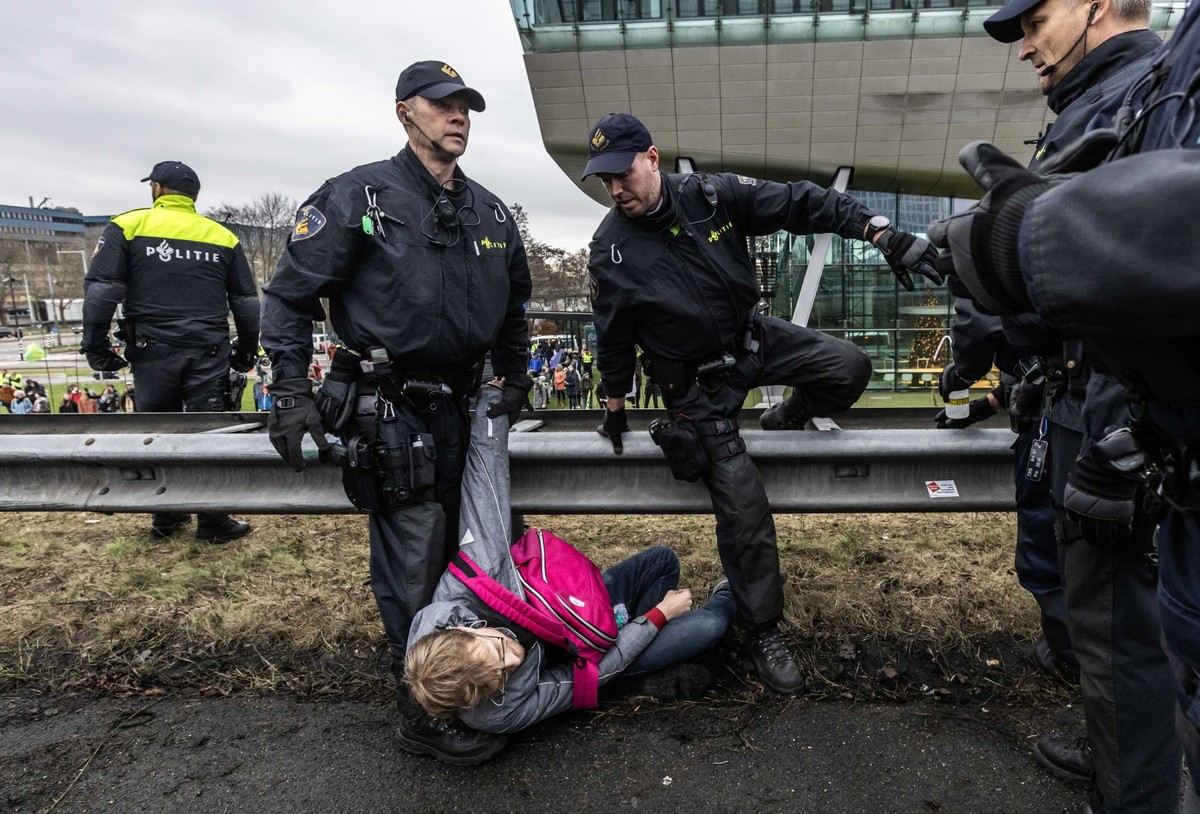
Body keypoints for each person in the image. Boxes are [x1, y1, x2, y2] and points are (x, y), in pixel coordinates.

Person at [928, 0, 1200, 806]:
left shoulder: (1138, 95)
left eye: (1036, 19)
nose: (1024, 46)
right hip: (1097, 412)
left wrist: (1121, 431)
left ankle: (1135, 790)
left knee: (1120, 637)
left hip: (1112, 417)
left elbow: (1142, 294)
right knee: (1111, 629)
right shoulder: (1136, 90)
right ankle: (1121, 757)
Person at [583, 112, 942, 694]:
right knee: (743, 501)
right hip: (692, 388)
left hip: (752, 341)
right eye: (606, 182)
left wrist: (881, 233)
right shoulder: (610, 250)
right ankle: (761, 630)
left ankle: (790, 413)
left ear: (651, 158)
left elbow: (805, 202)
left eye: (623, 174)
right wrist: (616, 404)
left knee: (849, 367)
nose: (617, 190)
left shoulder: (712, 195)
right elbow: (613, 337)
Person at [260, 60, 532, 765]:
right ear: (405, 113)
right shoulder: (356, 196)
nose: (459, 116)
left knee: (476, 553)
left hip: (468, 409)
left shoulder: (494, 212)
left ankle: (470, 683)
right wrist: (290, 390)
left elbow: (516, 308)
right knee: (414, 561)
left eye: (466, 106)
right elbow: (289, 296)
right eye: (443, 105)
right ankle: (422, 708)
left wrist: (515, 377)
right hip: (391, 409)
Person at [405, 386, 733, 743]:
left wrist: (491, 399)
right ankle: (722, 598)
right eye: (499, 679)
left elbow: (485, 485)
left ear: (465, 629)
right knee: (711, 623)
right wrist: (659, 617)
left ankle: (638, 650)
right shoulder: (497, 713)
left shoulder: (474, 580)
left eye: (497, 650)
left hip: (577, 618)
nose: (513, 661)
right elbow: (585, 678)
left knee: (662, 561)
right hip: (587, 661)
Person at [81, 160, 259, 544]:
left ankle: (166, 515)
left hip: (151, 350)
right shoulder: (221, 235)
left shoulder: (128, 225)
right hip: (208, 350)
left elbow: (102, 290)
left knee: (156, 433)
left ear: (157, 189)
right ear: (194, 195)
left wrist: (95, 347)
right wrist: (246, 351)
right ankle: (212, 522)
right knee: (209, 436)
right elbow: (245, 300)